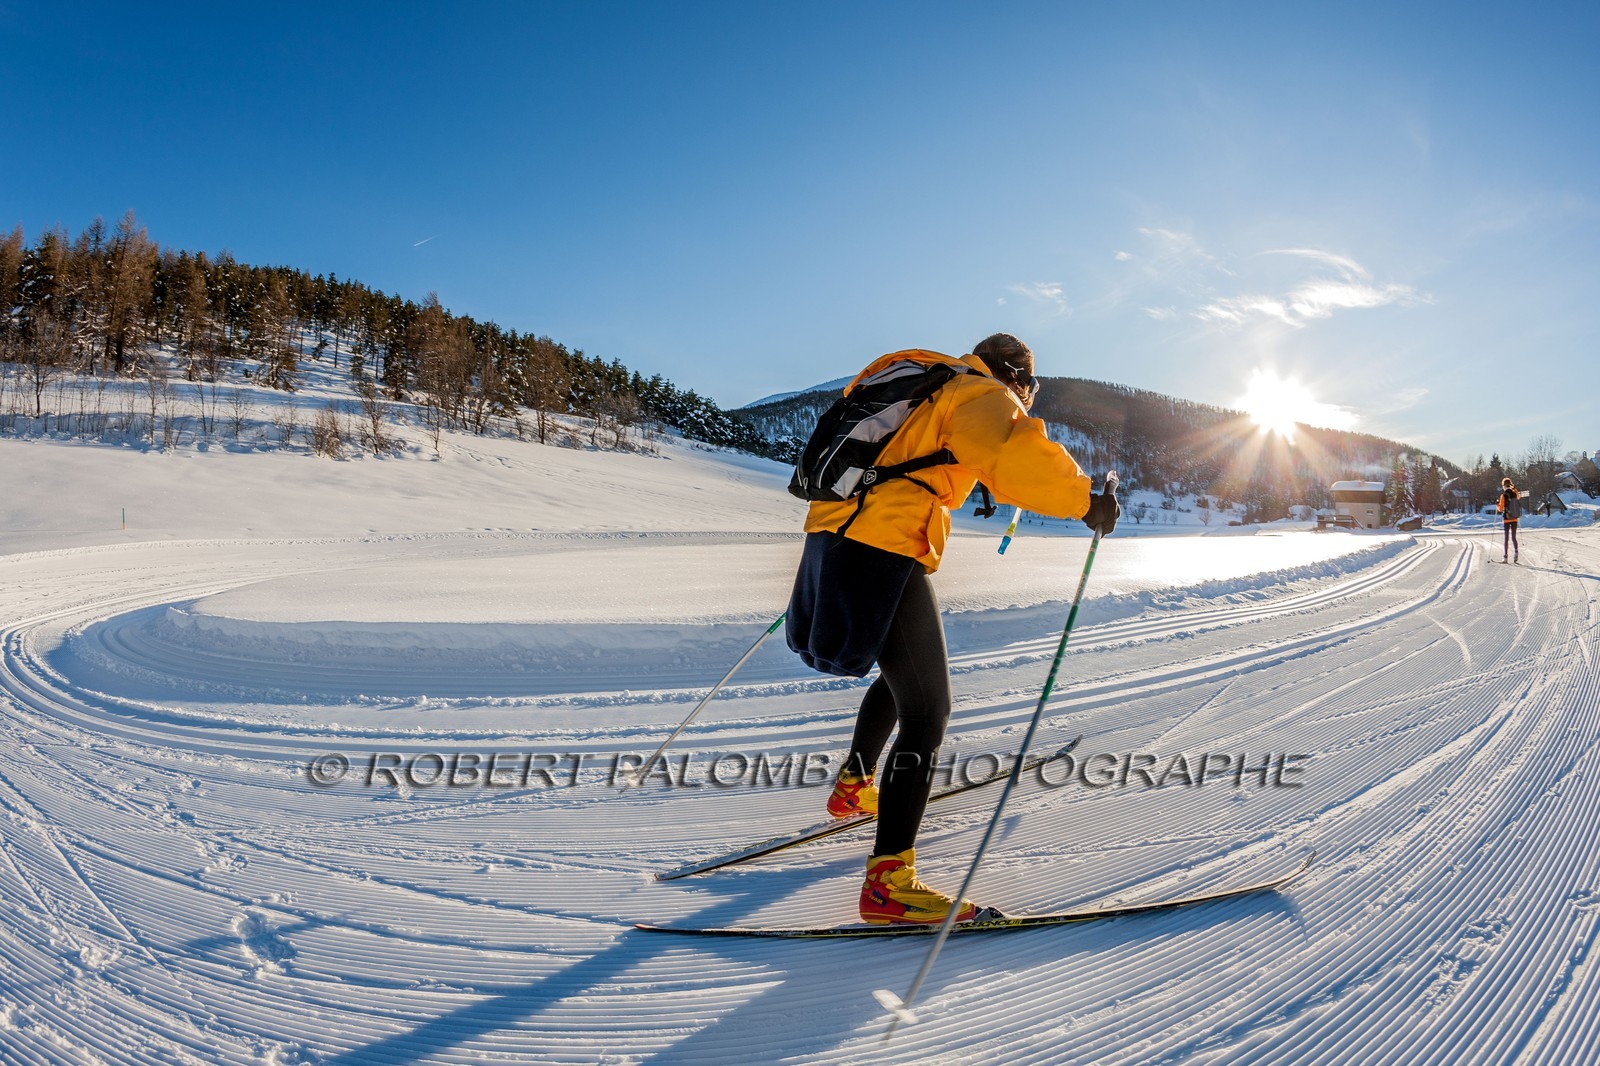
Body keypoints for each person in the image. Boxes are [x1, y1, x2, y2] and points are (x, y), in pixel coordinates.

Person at [786, 334, 1119, 925]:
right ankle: (889, 882)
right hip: (878, 540)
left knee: (901, 677)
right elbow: (1013, 453)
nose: (1027, 398)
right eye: (1029, 387)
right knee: (928, 710)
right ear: (1014, 374)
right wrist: (1085, 501)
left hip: (844, 531)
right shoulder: (977, 392)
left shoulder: (926, 381)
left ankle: (852, 788)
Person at [1497, 476, 1521, 562]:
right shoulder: (1514, 493)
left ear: (1504, 485)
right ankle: (1516, 552)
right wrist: (1514, 488)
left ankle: (1506, 557)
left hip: (1507, 519)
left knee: (1506, 538)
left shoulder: (1503, 495)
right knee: (1514, 537)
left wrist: (1497, 504)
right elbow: (1518, 497)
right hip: (1514, 518)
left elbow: (1500, 508)